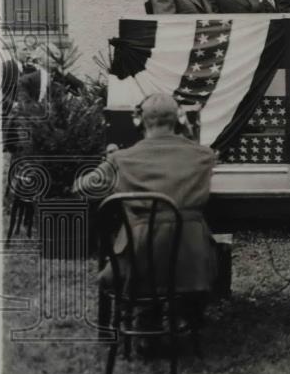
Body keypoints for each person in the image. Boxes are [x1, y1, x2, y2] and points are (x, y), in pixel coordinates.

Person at [75, 93, 218, 302]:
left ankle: (144, 314)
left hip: (137, 263)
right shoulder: (205, 156)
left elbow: (81, 188)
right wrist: (187, 133)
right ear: (179, 119)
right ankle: (187, 314)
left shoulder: (120, 159)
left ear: (139, 120)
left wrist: (108, 168)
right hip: (191, 265)